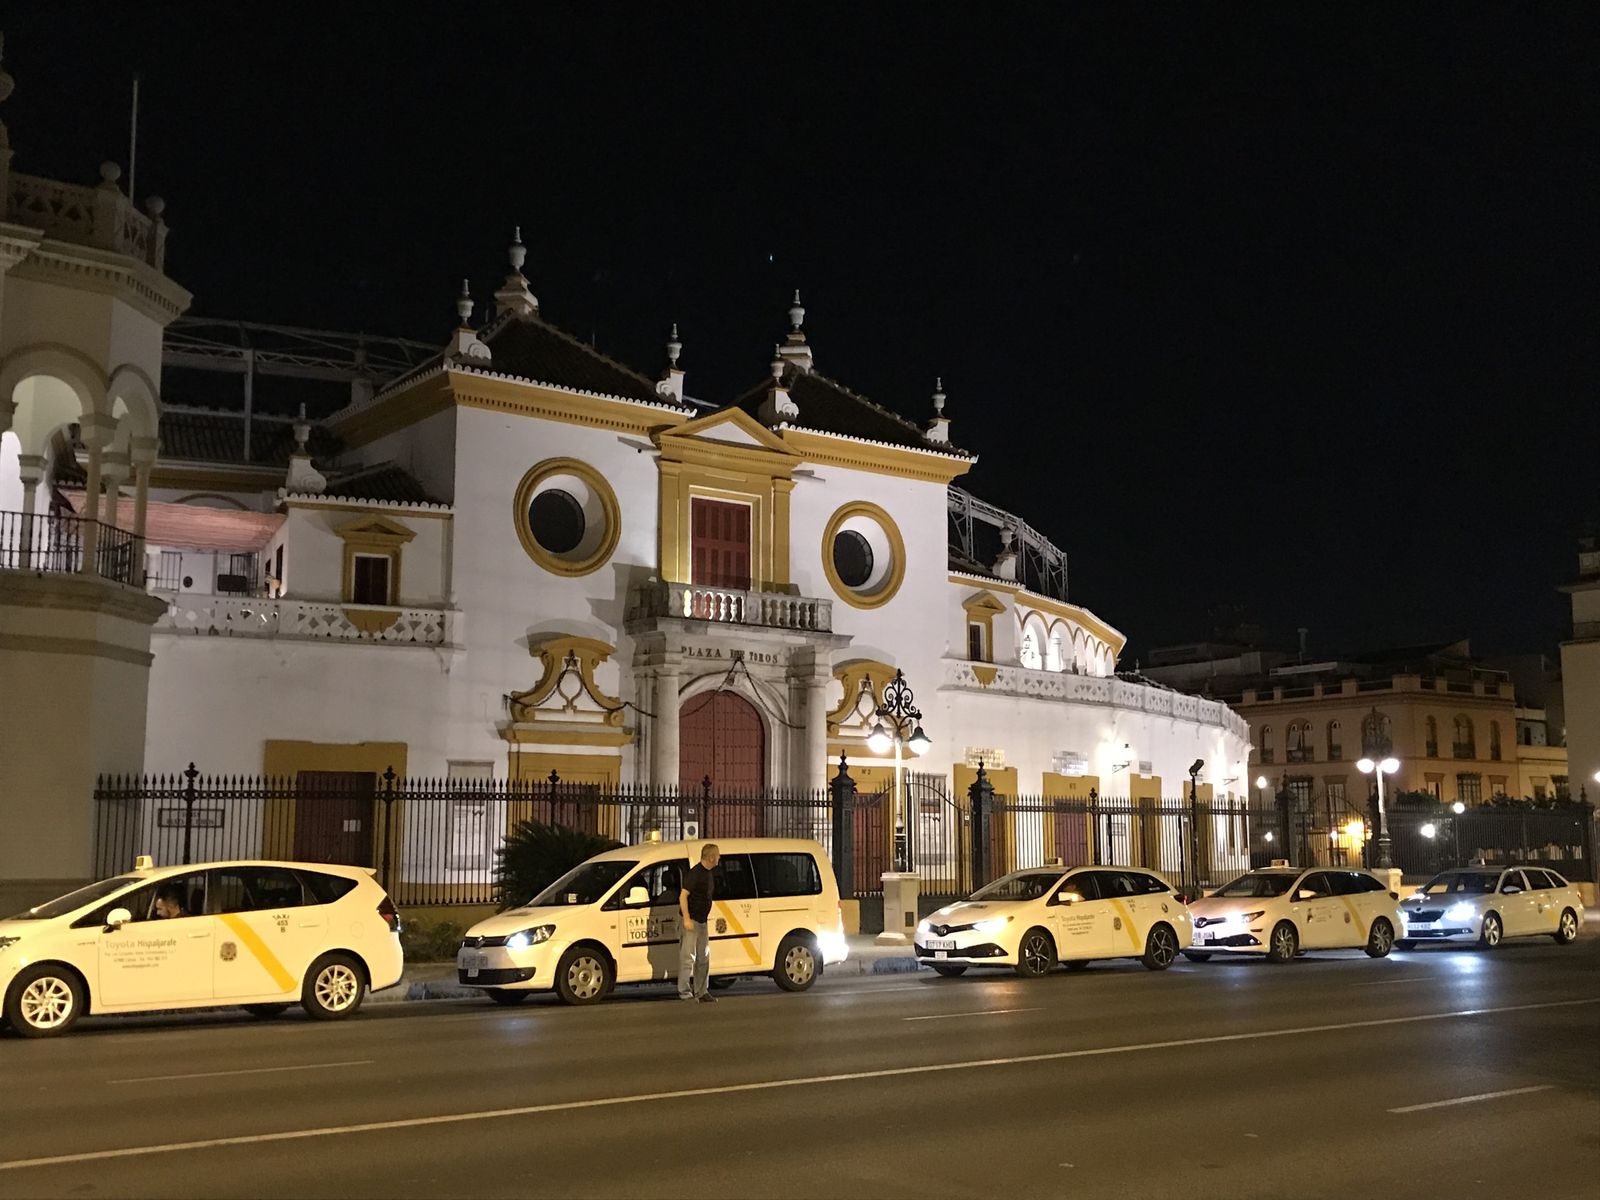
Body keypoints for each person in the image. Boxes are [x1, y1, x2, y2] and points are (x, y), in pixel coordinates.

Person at [678, 843, 720, 1003]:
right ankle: (685, 992)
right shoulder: (695, 873)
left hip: (701, 920)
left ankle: (702, 991)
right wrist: (687, 918)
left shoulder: (708, 873)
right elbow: (683, 896)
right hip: (692, 920)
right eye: (717, 855)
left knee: (704, 956)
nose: (719, 858)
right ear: (711, 857)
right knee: (688, 957)